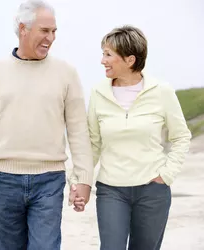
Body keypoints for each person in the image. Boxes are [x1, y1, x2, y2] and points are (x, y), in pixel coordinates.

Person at [0, 0, 94, 249]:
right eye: (44, 30)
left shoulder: (67, 74)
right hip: (3, 181)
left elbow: (78, 130)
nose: (51, 38)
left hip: (49, 181)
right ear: (23, 28)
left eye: (54, 31)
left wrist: (83, 178)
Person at [75, 25, 192, 249]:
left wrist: (166, 175)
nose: (102, 60)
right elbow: (93, 144)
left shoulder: (162, 91)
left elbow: (181, 137)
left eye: (108, 54)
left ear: (129, 60)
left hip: (152, 190)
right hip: (111, 189)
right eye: (103, 53)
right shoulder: (98, 93)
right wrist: (80, 181)